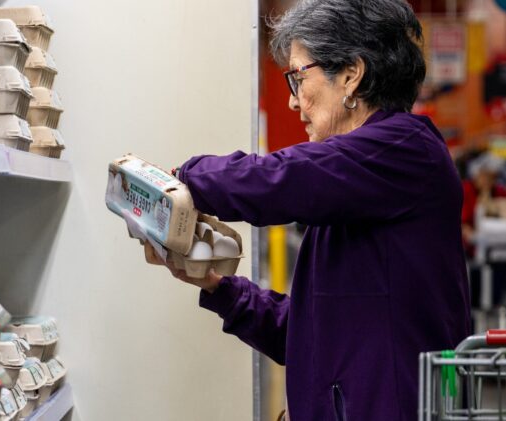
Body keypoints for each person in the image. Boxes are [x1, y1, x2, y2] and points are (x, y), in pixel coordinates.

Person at [152, 0, 472, 420]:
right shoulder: (356, 188)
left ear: (351, 75)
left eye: (298, 78)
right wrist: (219, 288)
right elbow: (310, 337)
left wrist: (183, 180)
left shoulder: (405, 150)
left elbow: (279, 178)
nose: (293, 101)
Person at [462, 152, 506, 252]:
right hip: (469, 247)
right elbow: (462, 223)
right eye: (485, 176)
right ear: (476, 174)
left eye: (493, 178)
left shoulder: (499, 191)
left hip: (497, 245)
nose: (488, 181)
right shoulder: (466, 190)